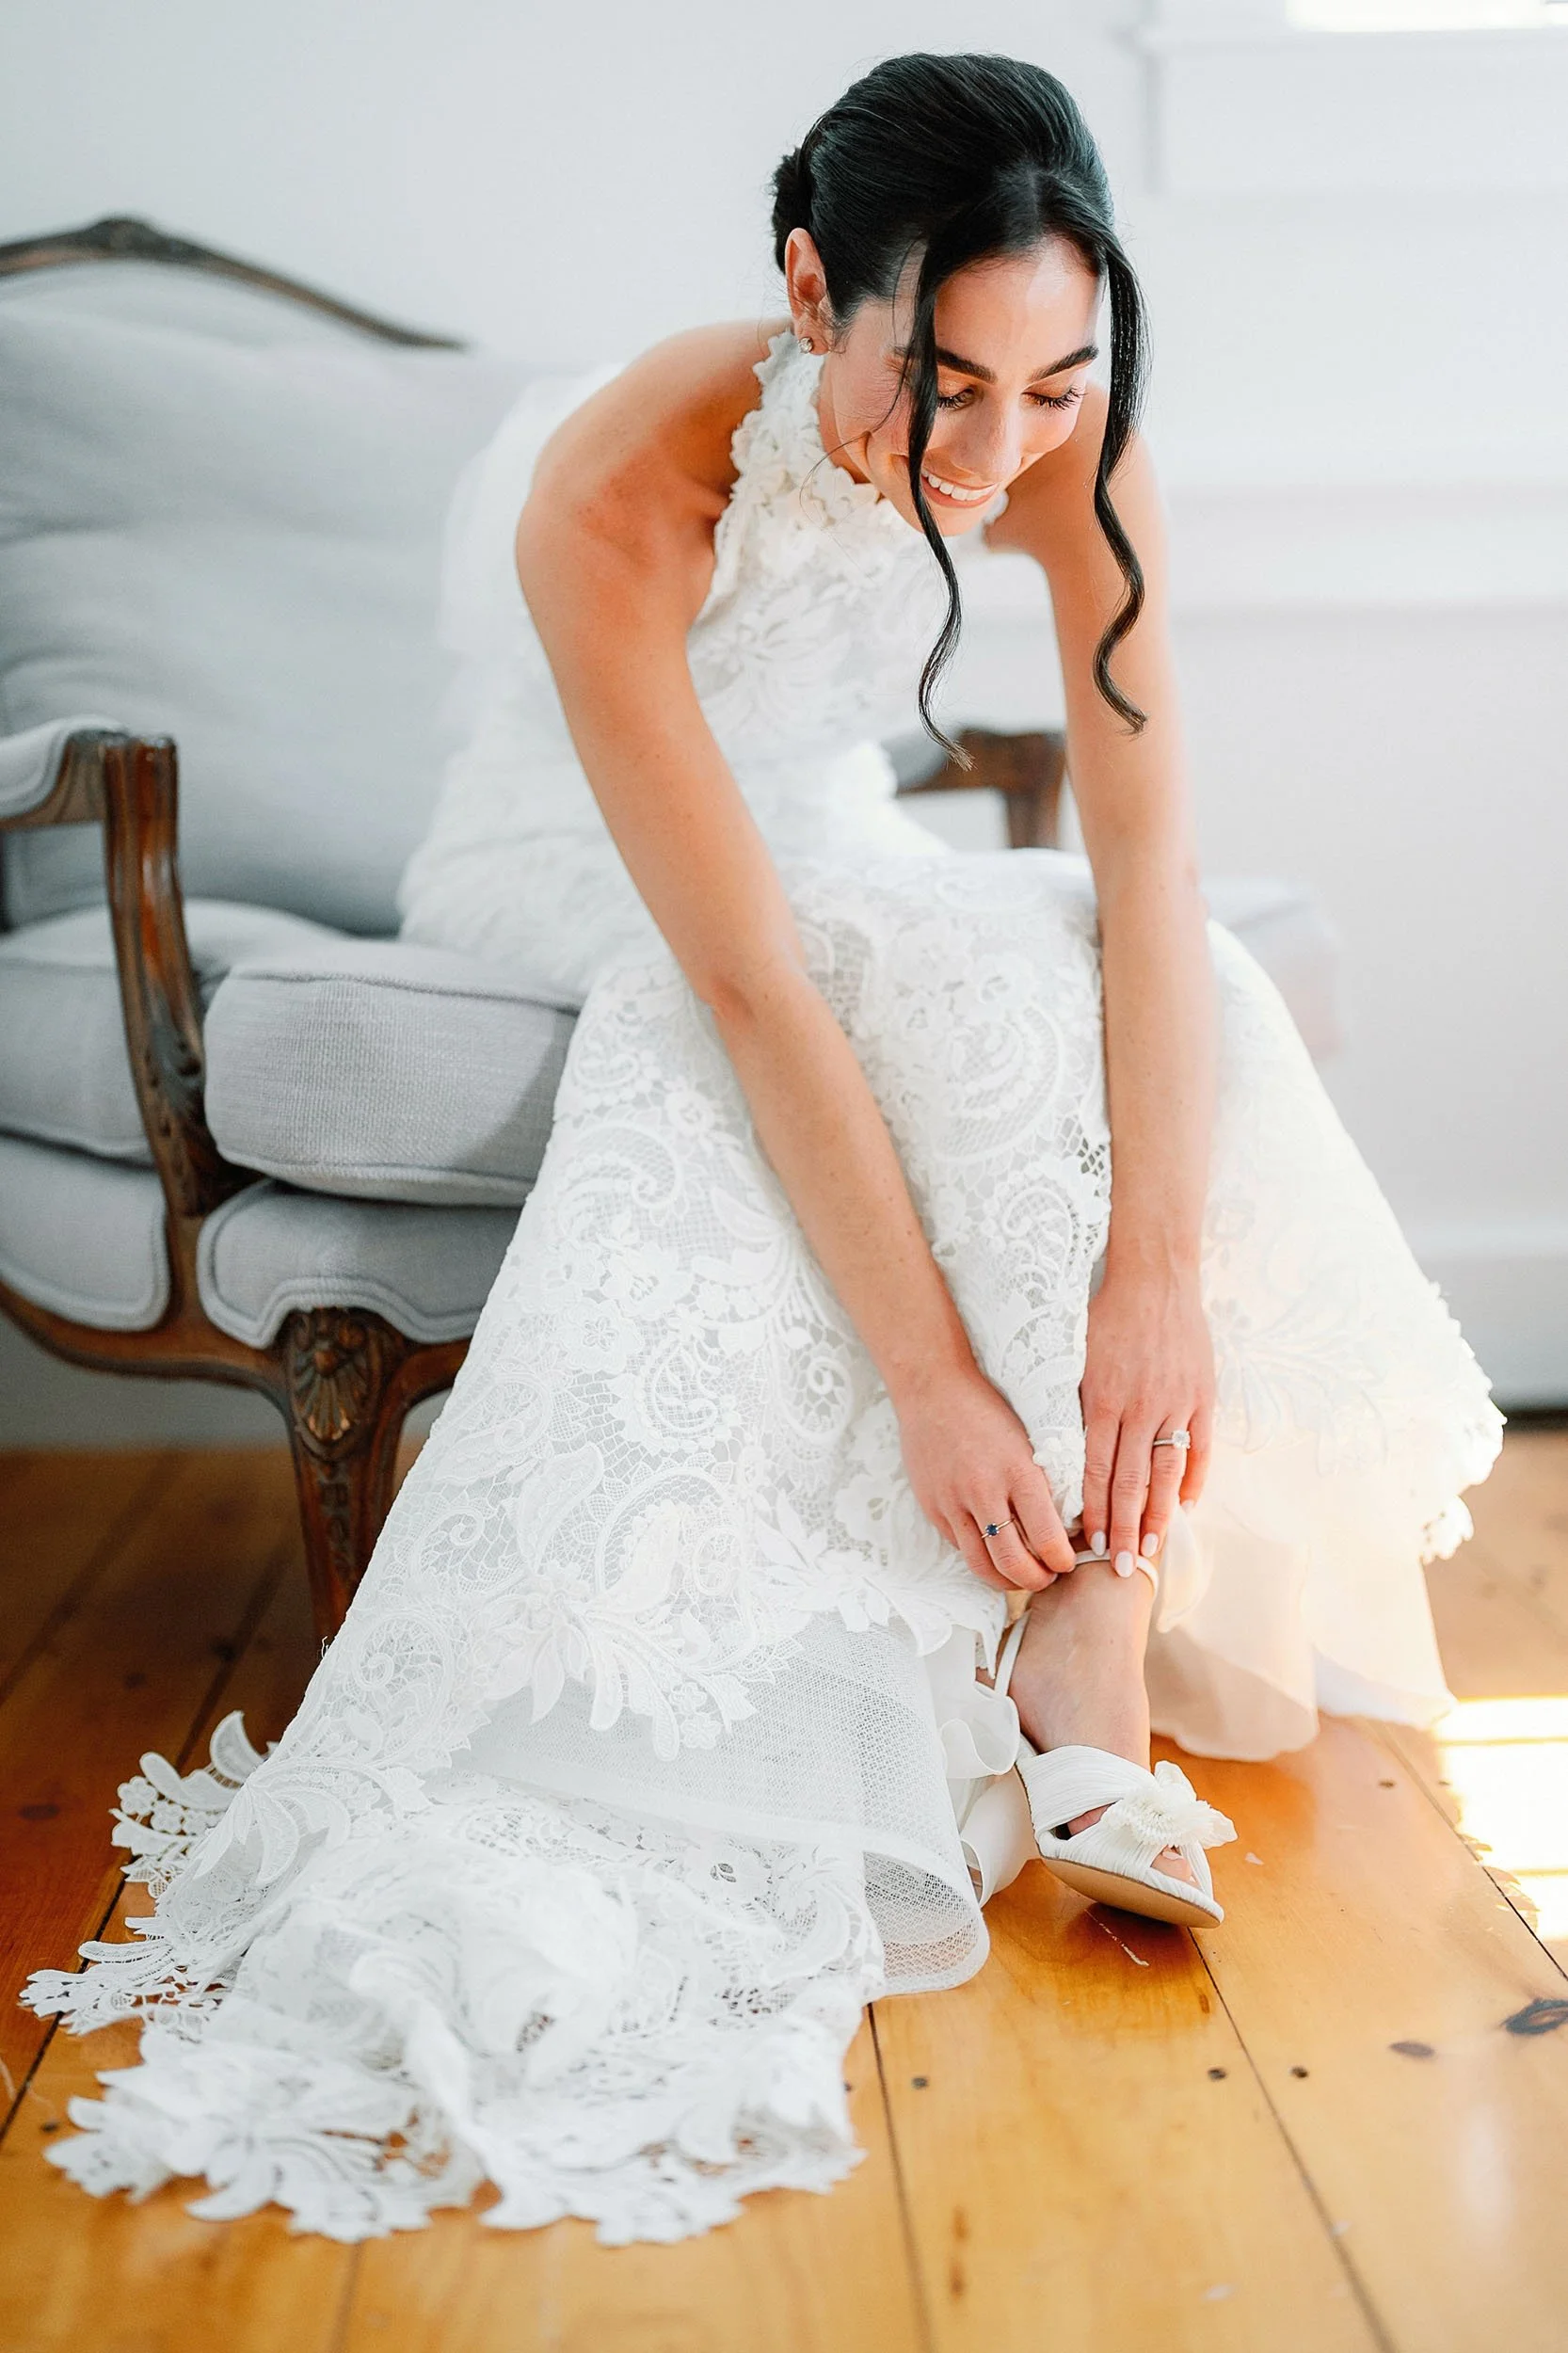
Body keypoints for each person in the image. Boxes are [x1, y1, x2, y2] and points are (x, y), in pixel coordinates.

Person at [26, 51, 1501, 2246]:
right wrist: (930, 1380)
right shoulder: (617, 489)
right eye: (942, 387)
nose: (994, 456)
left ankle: (1088, 1614)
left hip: (828, 837)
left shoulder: (1070, 435)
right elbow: (741, 978)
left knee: (1096, 957)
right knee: (884, 967)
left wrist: (1151, 1274)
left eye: (1049, 384)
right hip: (578, 866)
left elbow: (1146, 845)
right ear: (812, 291)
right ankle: (990, 1648)